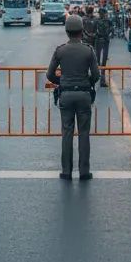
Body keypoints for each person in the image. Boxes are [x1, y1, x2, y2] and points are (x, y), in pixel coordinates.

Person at [46, 14, 100, 181]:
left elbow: (49, 74)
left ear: (67, 31)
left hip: (66, 94)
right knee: (84, 134)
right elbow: (96, 75)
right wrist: (86, 82)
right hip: (84, 94)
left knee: (67, 133)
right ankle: (84, 172)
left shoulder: (60, 50)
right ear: (81, 31)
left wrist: (61, 82)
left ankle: (66, 171)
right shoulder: (88, 50)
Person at [94, 6, 112, 87]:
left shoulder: (101, 21)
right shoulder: (102, 21)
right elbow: (111, 30)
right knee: (101, 60)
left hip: (101, 41)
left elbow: (111, 30)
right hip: (102, 41)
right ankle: (100, 77)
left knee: (100, 60)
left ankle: (100, 77)